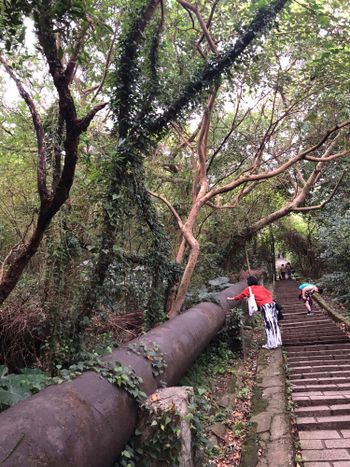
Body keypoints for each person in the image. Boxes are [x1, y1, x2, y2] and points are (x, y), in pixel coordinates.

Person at [227, 276, 282, 350]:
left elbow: (240, 296)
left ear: (249, 282)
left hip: (265, 307)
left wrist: (231, 298)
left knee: (268, 325)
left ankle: (271, 344)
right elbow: (269, 294)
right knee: (274, 324)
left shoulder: (249, 289)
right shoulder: (261, 287)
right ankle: (277, 341)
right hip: (272, 305)